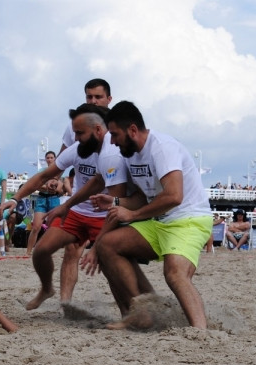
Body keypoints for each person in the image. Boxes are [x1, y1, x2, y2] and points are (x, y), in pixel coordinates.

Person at [86, 101, 214, 329]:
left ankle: (200, 332)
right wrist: (116, 201)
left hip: (189, 219)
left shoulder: (162, 147)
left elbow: (174, 195)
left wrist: (133, 215)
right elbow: (144, 197)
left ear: (132, 130)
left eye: (115, 135)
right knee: (108, 244)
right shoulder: (131, 154)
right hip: (161, 220)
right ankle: (143, 313)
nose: (112, 142)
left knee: (174, 273)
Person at [0, 103, 127, 310]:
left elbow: (110, 190)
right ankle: (52, 293)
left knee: (110, 261)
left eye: (79, 134)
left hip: (102, 214)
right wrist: (16, 199)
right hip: (75, 211)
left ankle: (126, 311)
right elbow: (44, 175)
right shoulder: (77, 150)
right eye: (74, 133)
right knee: (41, 251)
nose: (74, 139)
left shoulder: (111, 152)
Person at [26, 150, 65, 255]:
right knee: (36, 227)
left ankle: (50, 251)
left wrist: (48, 187)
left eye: (51, 157)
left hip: (53, 199)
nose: (49, 159)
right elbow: (37, 185)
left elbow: (60, 187)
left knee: (54, 228)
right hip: (42, 199)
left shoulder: (58, 170)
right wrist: (49, 188)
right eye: (48, 158)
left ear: (55, 159)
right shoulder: (42, 171)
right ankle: (28, 252)